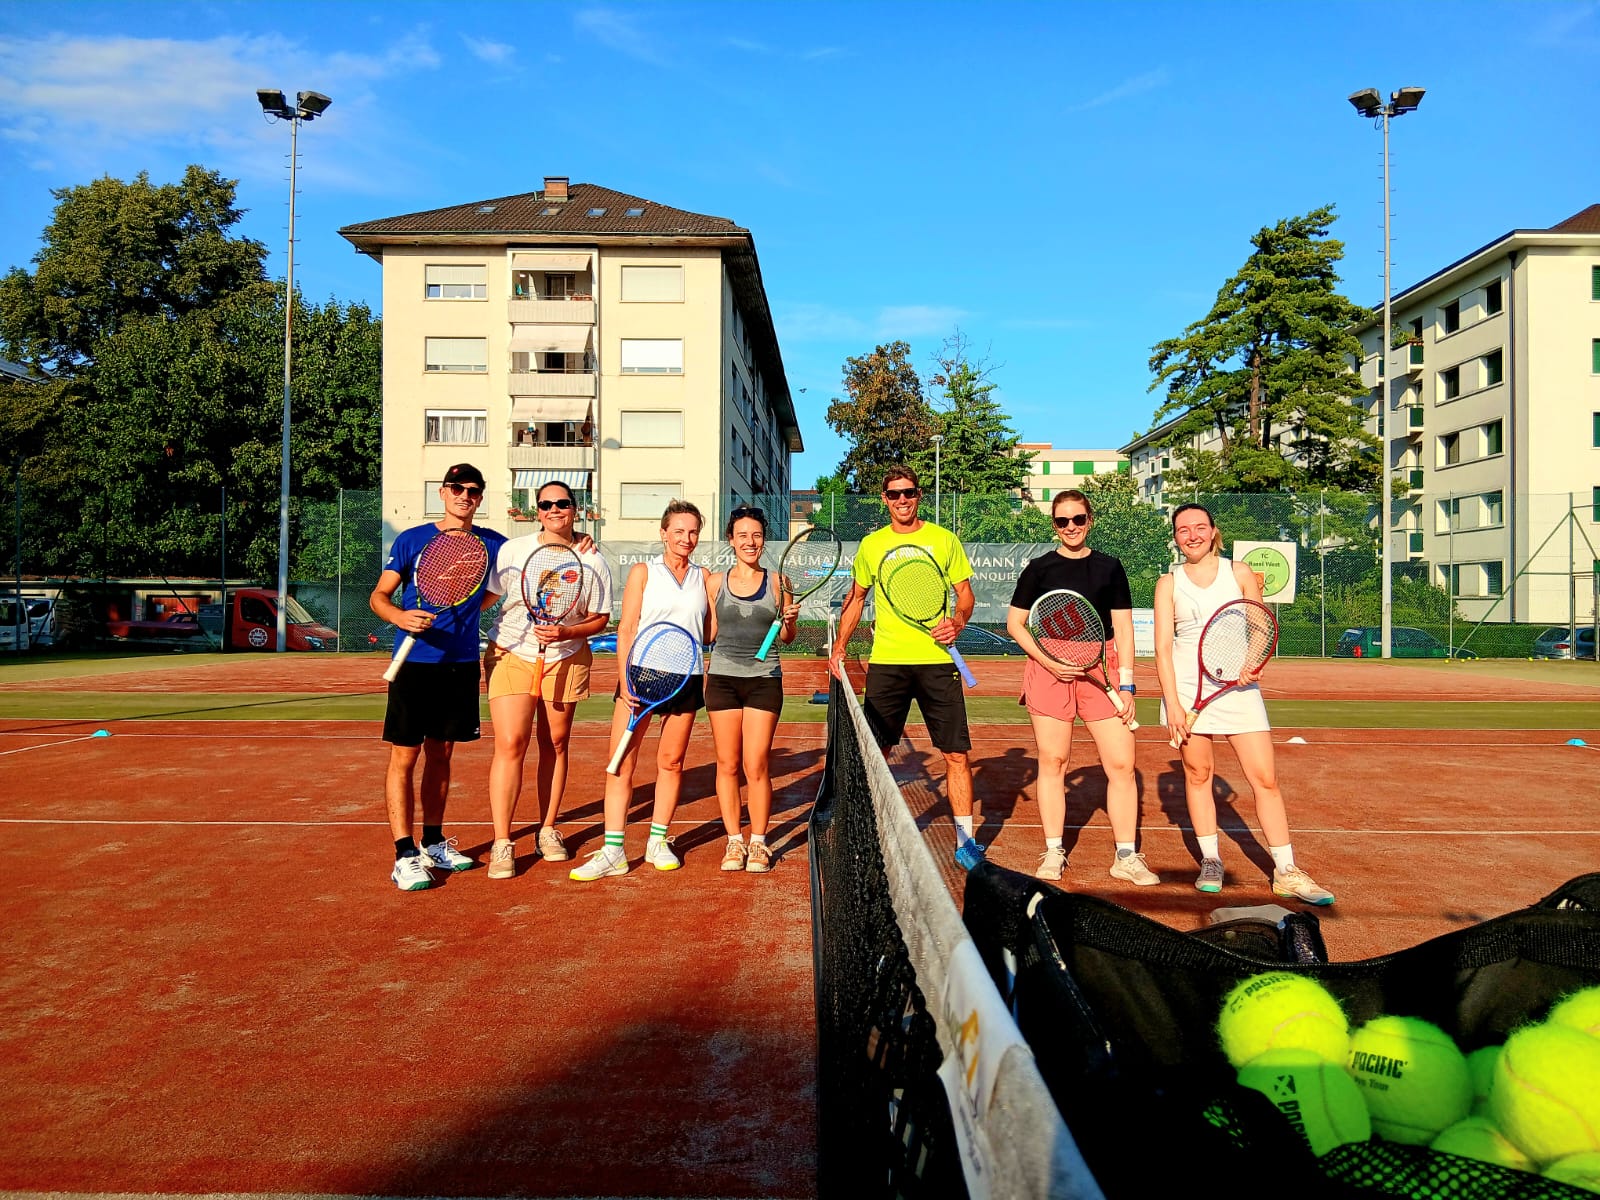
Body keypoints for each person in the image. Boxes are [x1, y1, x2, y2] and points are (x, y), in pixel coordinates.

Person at [1154, 502, 1334, 905]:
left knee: (1264, 779)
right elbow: (1163, 649)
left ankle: (1286, 871)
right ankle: (1211, 861)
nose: (1192, 535)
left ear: (1213, 531)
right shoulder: (1169, 583)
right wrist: (1174, 705)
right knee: (1198, 775)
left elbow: (1261, 625)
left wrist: (1251, 662)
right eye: (1183, 530)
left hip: (1238, 691)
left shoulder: (1239, 573)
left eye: (1200, 527)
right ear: (1176, 538)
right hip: (1188, 689)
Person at [828, 465, 982, 868]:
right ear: (885, 499)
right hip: (888, 662)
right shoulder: (872, 545)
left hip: (937, 663)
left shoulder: (944, 540)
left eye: (909, 492)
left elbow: (965, 595)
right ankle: (871, 831)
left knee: (956, 755)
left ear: (919, 496)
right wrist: (840, 646)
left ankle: (966, 842)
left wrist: (958, 622)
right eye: (894, 494)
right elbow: (856, 599)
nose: (902, 500)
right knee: (876, 754)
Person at [369, 464, 507, 892]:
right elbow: (379, 596)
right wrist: (399, 617)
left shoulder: (494, 543)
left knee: (442, 754)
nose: (464, 496)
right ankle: (404, 854)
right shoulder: (411, 540)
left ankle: (432, 842)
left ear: (480, 498)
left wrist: (580, 539)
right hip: (414, 663)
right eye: (456, 488)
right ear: (443, 493)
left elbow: (521, 567)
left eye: (473, 490)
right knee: (405, 756)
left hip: (460, 664)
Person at [1006, 489, 1152, 885]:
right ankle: (1054, 850)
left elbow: (1123, 629)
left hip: (1101, 667)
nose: (1071, 527)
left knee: (1121, 765)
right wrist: (1048, 661)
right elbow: (1015, 624)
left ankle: (1126, 856)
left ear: (1090, 520)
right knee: (1053, 762)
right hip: (1048, 668)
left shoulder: (1110, 567)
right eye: (1062, 521)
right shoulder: (1038, 569)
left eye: (1078, 519)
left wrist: (1127, 685)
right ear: (1054, 525)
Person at [570, 500, 710, 881]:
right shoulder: (643, 572)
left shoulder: (704, 577)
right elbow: (627, 627)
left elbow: (710, 630)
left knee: (672, 762)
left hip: (686, 677)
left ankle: (657, 842)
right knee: (621, 762)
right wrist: (626, 678)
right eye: (678, 531)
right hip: (642, 675)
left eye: (693, 531)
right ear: (663, 533)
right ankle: (613, 851)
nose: (686, 538)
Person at [482, 480, 611, 879]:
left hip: (566, 657)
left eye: (563, 503)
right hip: (511, 652)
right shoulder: (513, 550)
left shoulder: (593, 560)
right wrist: (452, 609)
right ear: (536, 511)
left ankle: (548, 829)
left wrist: (566, 632)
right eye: (546, 504)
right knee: (511, 743)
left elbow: (600, 618)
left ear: (576, 508)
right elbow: (489, 596)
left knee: (555, 743)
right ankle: (503, 841)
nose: (555, 509)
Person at [704, 505, 800, 874]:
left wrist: (789, 621)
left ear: (764, 540)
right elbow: (710, 634)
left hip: (764, 679)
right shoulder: (715, 582)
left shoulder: (779, 583)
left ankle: (758, 842)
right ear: (731, 539)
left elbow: (787, 638)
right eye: (742, 535)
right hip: (723, 680)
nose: (750, 541)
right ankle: (734, 840)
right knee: (727, 764)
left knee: (755, 763)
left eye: (756, 535)